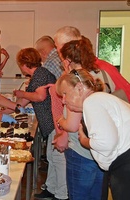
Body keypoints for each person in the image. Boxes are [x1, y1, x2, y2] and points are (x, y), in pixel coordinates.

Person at [52, 37, 117, 200]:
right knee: (97, 195)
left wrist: (60, 120)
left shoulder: (75, 81)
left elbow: (73, 125)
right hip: (102, 148)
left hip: (81, 148)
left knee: (79, 195)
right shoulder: (102, 74)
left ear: (67, 60)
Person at [56, 68, 130, 200]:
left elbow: (106, 143)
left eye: (65, 94)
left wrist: (84, 140)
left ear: (79, 87)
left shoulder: (92, 101)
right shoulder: (99, 99)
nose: (63, 100)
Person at [12, 48, 68, 200]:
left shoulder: (40, 74)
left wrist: (20, 94)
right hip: (50, 122)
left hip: (53, 121)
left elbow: (40, 96)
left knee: (57, 158)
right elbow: (23, 103)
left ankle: (62, 194)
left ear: (24, 64)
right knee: (52, 156)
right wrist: (8, 110)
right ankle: (51, 188)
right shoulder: (38, 74)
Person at [54, 26, 130, 102]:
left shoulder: (102, 68)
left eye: (57, 47)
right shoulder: (98, 68)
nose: (57, 52)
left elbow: (127, 94)